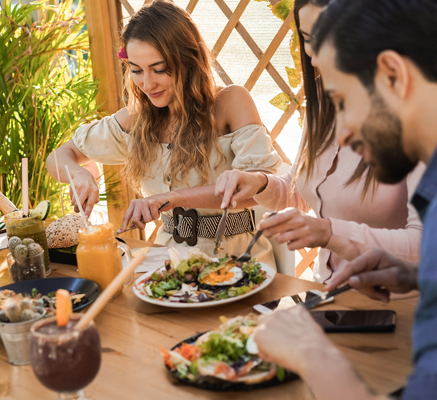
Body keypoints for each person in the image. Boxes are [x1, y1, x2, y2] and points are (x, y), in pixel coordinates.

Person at [254, 1, 437, 399]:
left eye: (343, 101)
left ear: (394, 74)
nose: (341, 133)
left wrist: (312, 355)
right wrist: (426, 276)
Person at [47, 0, 282, 265]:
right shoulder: (138, 119)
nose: (147, 83)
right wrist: (79, 174)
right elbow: (58, 157)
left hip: (237, 258)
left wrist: (169, 199)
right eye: (136, 70)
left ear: (188, 60)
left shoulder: (230, 102)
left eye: (159, 69)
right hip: (167, 258)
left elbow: (256, 188)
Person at [212, 0, 424, 282]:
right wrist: (259, 182)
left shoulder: (420, 118)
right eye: (309, 39)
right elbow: (299, 192)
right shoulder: (325, 106)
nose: (314, 58)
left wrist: (327, 232)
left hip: (398, 305)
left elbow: (425, 246)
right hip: (327, 292)